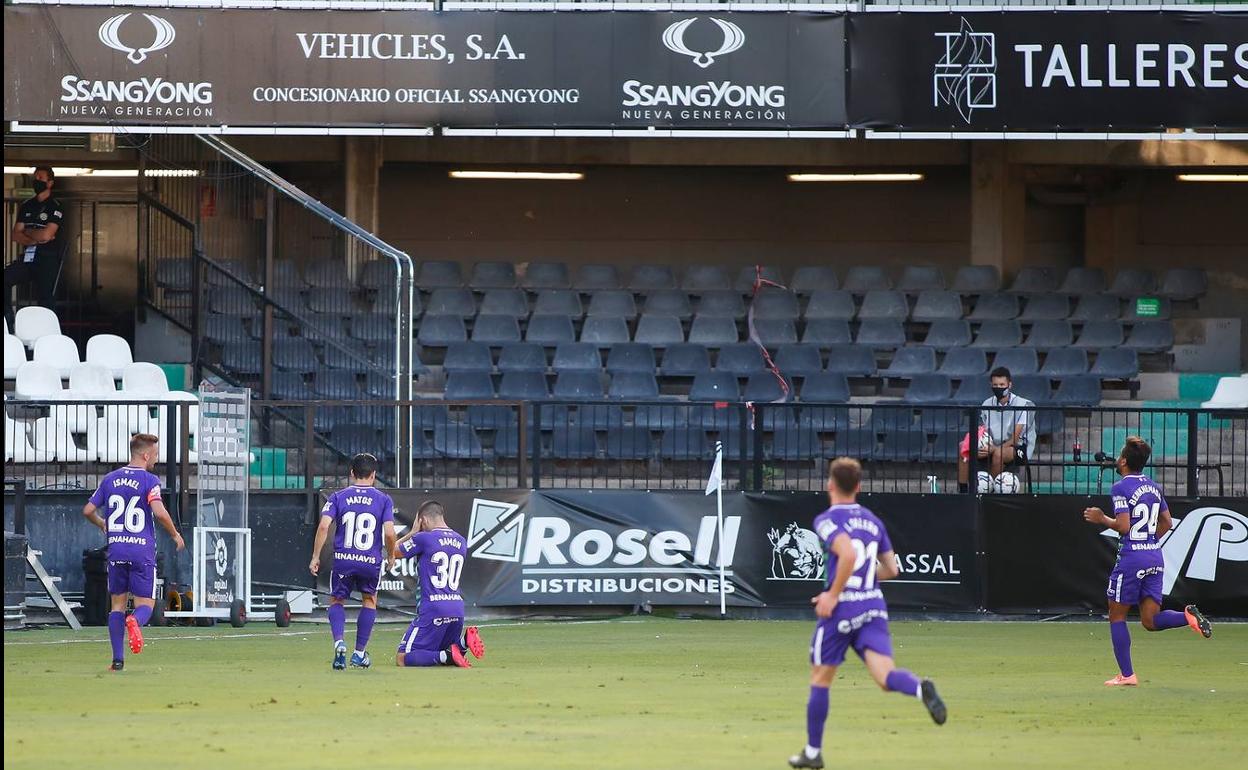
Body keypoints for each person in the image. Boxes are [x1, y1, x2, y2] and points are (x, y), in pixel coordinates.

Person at [789, 458, 946, 769]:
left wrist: (832, 594)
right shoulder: (873, 521)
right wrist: (860, 583)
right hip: (872, 606)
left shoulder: (826, 519)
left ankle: (812, 751)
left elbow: (847, 552)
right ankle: (919, 688)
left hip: (842, 608)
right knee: (885, 677)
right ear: (859, 487)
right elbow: (892, 569)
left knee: (820, 678)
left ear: (830, 485)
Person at [1082, 436, 1211, 687]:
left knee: (1116, 615)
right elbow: (1168, 522)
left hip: (1132, 558)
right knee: (1150, 621)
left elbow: (1122, 525)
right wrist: (1149, 541)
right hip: (1154, 555)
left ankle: (1127, 675)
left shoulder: (1120, 487)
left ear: (1123, 461)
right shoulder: (1153, 487)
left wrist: (1102, 518)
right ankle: (1187, 616)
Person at [81, 433, 186, 672]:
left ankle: (117, 661)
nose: (156, 461)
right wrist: (174, 534)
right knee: (145, 606)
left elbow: (87, 510)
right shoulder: (150, 481)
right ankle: (135, 621)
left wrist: (102, 523)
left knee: (116, 605)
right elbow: (159, 512)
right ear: (146, 454)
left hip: (116, 550)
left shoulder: (110, 479)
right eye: (156, 456)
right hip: (142, 552)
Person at [309, 453, 397, 670]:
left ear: (351, 473)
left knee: (337, 601)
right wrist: (392, 555)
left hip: (344, 560)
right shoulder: (383, 499)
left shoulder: (338, 497)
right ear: (374, 475)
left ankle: (339, 642)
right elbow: (389, 532)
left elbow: (323, 526)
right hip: (369, 561)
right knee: (369, 600)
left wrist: (316, 556)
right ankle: (359, 653)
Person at [393, 500, 485, 668]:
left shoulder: (423, 538)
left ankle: (448, 655)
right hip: (456, 608)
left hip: (433, 608)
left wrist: (412, 532)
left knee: (403, 658)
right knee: (440, 652)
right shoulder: (461, 541)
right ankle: (463, 643)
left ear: (424, 520)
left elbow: (392, 551)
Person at [958, 367, 1036, 491]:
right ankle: (963, 491)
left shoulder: (1023, 405)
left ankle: (990, 491)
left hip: (1019, 448)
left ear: (1009, 385)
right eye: (995, 385)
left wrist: (993, 449)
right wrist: (980, 446)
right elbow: (984, 431)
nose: (999, 388)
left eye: (1002, 385)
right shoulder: (986, 404)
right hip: (993, 444)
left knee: (998, 454)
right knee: (964, 446)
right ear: (991, 385)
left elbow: (1015, 440)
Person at [6, 165, 64, 326]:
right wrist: (34, 237)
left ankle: (47, 331)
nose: (36, 181)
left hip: (48, 259)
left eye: (40, 178)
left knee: (46, 297)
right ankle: (8, 319)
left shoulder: (55, 206)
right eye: (35, 177)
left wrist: (28, 232)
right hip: (28, 257)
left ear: (50, 182)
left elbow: (47, 234)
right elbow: (15, 234)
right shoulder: (27, 205)